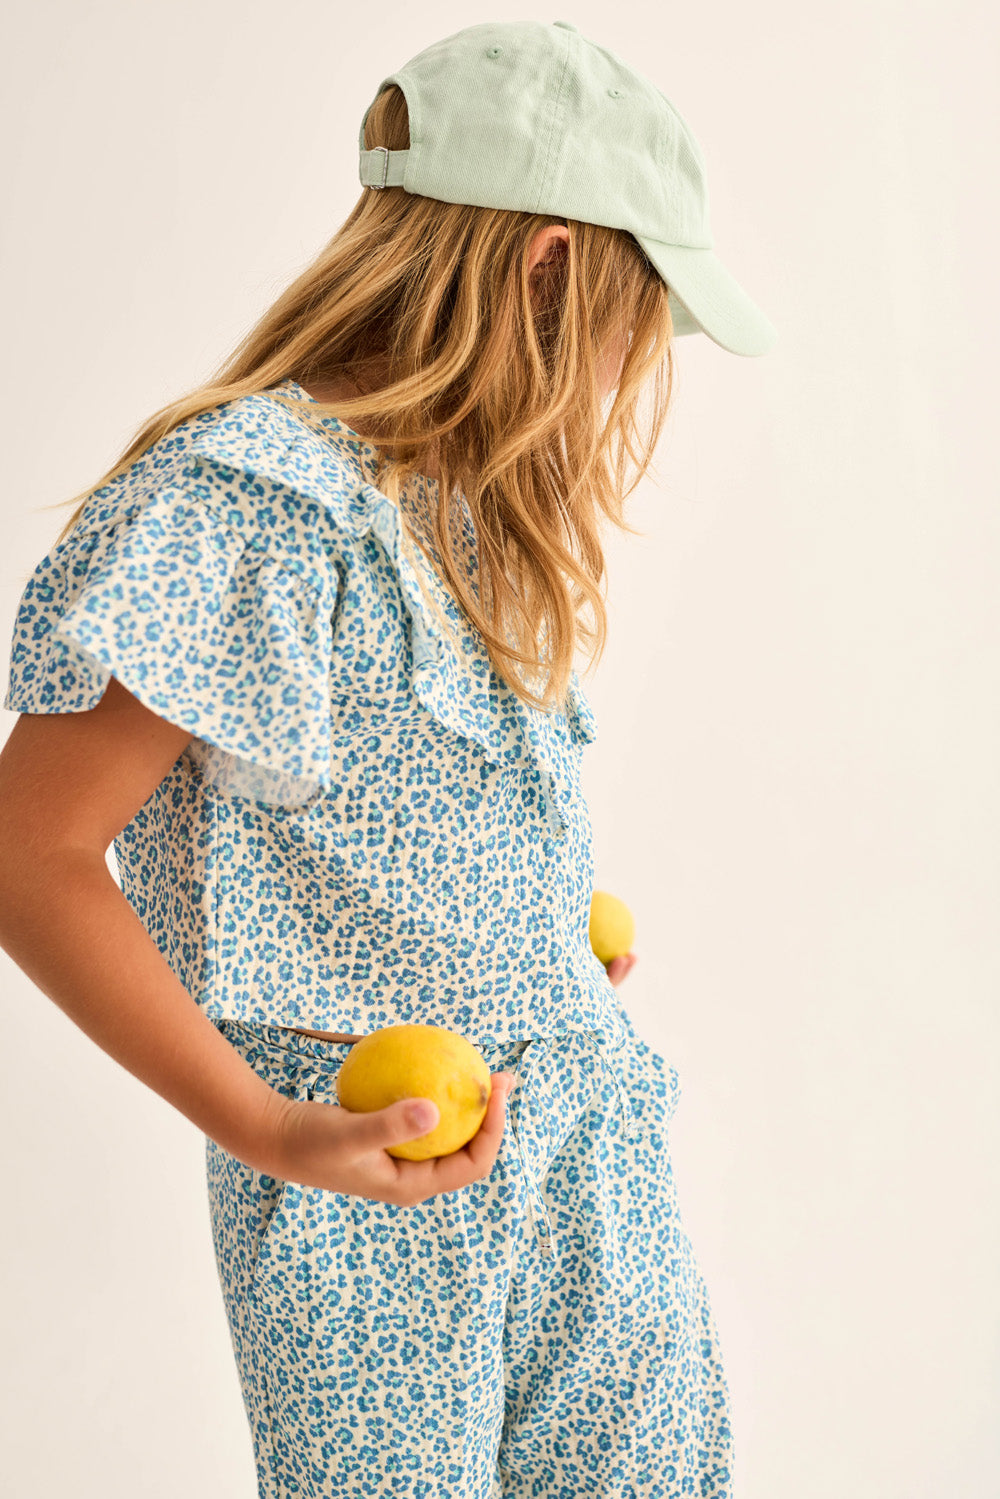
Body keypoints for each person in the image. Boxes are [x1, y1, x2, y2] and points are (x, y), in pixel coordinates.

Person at [0, 19, 776, 1499]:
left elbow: (391, 807)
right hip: (377, 1190)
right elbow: (27, 851)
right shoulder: (251, 504)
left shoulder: (471, 499)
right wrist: (268, 1129)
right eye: (638, 315)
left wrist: (527, 947)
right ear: (547, 266)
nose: (634, 363)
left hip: (585, 1141)